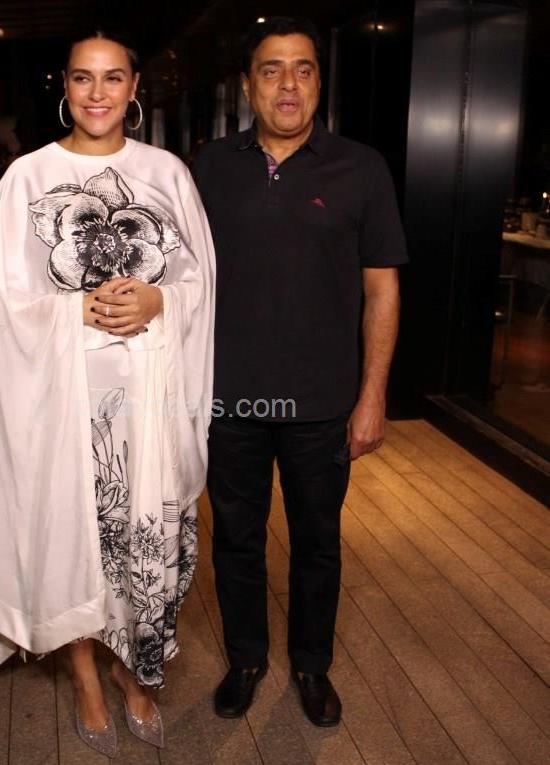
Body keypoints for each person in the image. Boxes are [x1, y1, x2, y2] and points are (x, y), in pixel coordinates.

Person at [0, 30, 214, 756]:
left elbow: (202, 284)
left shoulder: (167, 175)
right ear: (64, 87)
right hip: (59, 406)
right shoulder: (26, 181)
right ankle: (88, 677)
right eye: (83, 78)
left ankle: (133, 670)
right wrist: (74, 310)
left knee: (137, 544)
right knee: (76, 542)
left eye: (113, 78)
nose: (98, 93)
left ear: (135, 88)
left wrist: (160, 301)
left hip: (149, 408)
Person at [192, 16, 407, 727]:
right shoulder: (208, 169)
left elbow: (382, 291)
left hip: (322, 404)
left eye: (304, 69)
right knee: (237, 539)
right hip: (230, 401)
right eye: (272, 69)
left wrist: (372, 396)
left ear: (319, 82)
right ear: (247, 85)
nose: (289, 84)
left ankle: (312, 666)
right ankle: (246, 659)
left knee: (318, 543)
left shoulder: (362, 169)